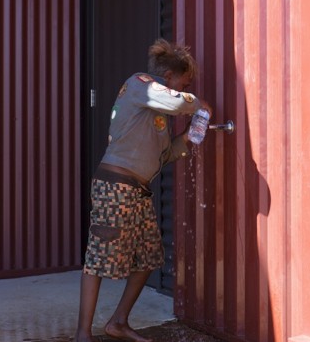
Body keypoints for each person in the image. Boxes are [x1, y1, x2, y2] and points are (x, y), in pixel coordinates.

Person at [74, 38, 212, 342]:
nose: (183, 90)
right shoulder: (139, 84)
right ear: (170, 76)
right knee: (98, 259)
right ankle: (83, 334)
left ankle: (118, 322)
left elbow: (163, 156)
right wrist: (197, 104)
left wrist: (188, 138)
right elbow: (178, 102)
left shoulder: (156, 119)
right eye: (183, 83)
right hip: (114, 187)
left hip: (138, 192)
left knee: (149, 257)